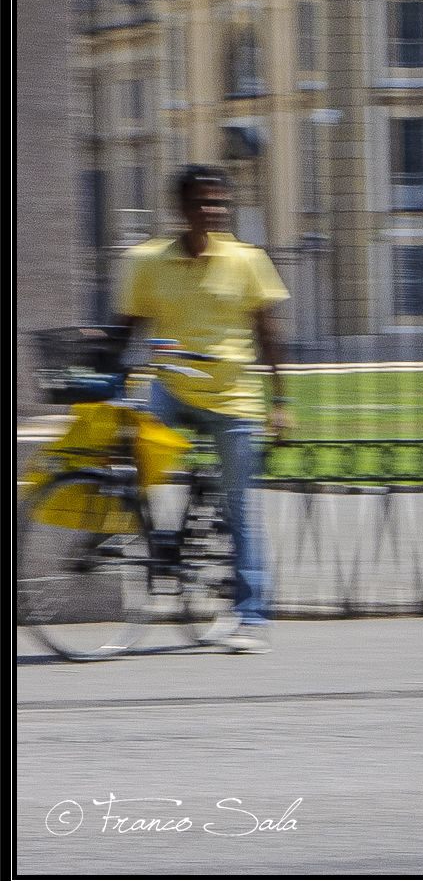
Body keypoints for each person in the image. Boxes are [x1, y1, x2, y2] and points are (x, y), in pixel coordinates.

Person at [112, 165, 289, 654]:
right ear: (181, 209)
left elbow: (269, 332)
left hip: (233, 399)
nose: (212, 211)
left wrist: (280, 401)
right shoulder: (149, 261)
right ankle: (138, 529)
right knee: (128, 445)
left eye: (220, 203)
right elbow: (127, 326)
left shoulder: (247, 259)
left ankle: (251, 616)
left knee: (240, 510)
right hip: (172, 388)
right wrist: (106, 374)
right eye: (202, 202)